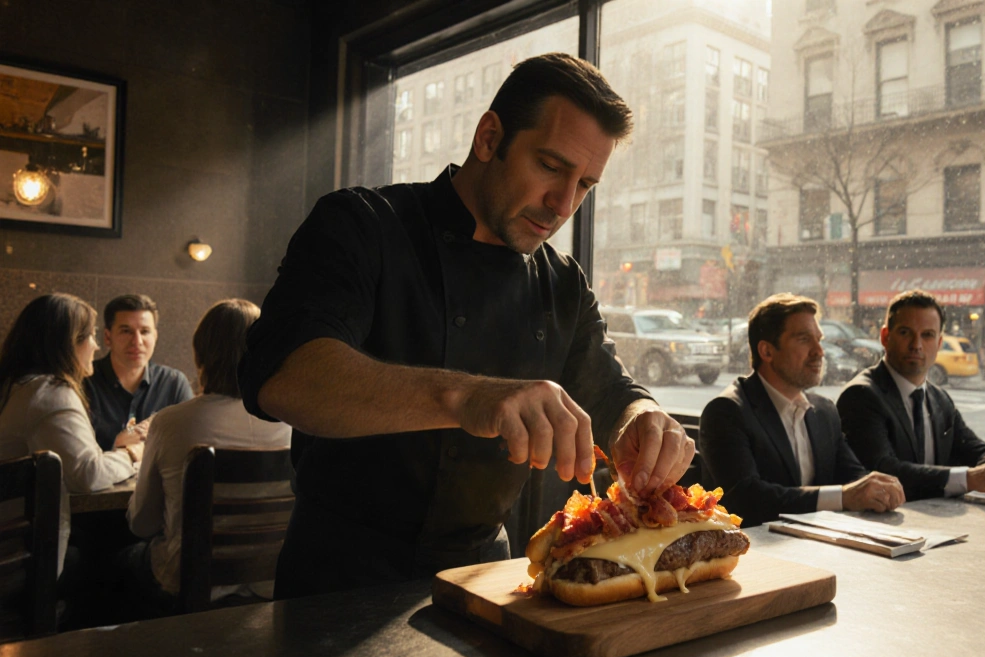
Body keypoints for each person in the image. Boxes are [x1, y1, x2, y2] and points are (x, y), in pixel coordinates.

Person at [237, 53, 694, 599]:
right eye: (550, 166)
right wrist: (466, 397)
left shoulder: (563, 283)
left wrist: (642, 418)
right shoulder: (362, 224)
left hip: (484, 579)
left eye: (586, 185)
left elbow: (612, 389)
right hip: (339, 580)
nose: (563, 204)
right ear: (488, 137)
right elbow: (286, 374)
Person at [123, 299, 292, 615]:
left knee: (118, 561)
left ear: (199, 354)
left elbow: (142, 525)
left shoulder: (171, 422)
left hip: (185, 581)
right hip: (273, 583)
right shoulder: (294, 422)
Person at [699, 294, 904, 527]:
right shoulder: (726, 412)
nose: (819, 351)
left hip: (819, 547)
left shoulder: (824, 411)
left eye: (819, 339)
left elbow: (852, 475)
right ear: (767, 352)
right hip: (755, 553)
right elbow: (747, 499)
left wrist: (875, 488)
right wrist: (844, 496)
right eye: (804, 339)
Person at [838, 290, 985, 501]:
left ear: (939, 343)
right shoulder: (861, 395)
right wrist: (971, 479)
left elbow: (974, 448)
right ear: (885, 337)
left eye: (927, 335)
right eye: (905, 333)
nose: (916, 345)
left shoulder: (939, 399)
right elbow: (884, 471)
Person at [0, 294, 139, 576]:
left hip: (11, 541)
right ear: (67, 343)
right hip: (20, 559)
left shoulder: (15, 386)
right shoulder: (51, 392)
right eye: (90, 336)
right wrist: (131, 454)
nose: (96, 346)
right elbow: (87, 474)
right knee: (108, 562)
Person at [83, 294, 193, 452]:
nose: (137, 341)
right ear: (107, 337)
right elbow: (74, 453)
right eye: (126, 331)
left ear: (155, 336)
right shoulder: (85, 381)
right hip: (101, 475)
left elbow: (188, 445)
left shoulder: (173, 383)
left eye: (145, 331)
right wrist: (116, 444)